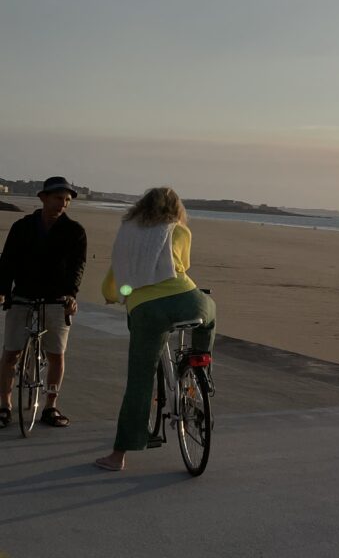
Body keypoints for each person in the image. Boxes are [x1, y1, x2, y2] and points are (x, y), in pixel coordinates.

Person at [95, 187, 216, 471]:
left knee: (140, 379)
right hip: (187, 300)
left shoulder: (126, 233)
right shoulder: (178, 230)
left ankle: (118, 455)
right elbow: (182, 265)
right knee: (210, 313)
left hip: (146, 310)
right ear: (176, 209)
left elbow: (116, 276)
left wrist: (114, 294)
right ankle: (201, 368)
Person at [0, 176, 87, 428]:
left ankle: (50, 405)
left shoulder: (74, 231)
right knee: (11, 353)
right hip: (23, 294)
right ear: (43, 198)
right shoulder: (23, 227)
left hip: (56, 298)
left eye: (67, 200)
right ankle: (4, 404)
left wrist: (71, 294)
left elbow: (77, 266)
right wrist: (3, 290)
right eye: (58, 198)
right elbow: (7, 261)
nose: (63, 204)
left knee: (56, 354)